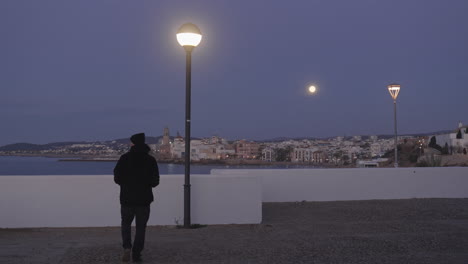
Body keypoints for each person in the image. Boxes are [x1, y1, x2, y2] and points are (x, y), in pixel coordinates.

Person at [114, 133, 160, 262]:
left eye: (131, 142)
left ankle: (127, 247)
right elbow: (155, 182)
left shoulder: (124, 158)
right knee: (141, 227)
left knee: (126, 224)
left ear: (133, 143)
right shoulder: (150, 160)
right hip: (144, 200)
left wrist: (126, 184)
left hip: (127, 199)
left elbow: (117, 178)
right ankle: (136, 253)